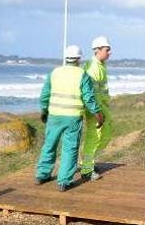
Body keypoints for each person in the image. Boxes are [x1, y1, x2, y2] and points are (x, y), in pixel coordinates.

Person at [35, 45, 103, 192]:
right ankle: (64, 182)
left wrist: (44, 110)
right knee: (70, 149)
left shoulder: (54, 73)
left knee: (49, 145)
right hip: (72, 118)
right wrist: (98, 114)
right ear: (79, 58)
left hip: (54, 116)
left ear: (66, 57)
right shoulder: (82, 75)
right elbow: (89, 98)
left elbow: (45, 94)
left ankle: (42, 175)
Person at [81, 36, 113, 182]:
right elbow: (90, 94)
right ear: (98, 50)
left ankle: (88, 163)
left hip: (102, 107)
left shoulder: (101, 65)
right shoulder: (92, 68)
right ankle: (87, 170)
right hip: (95, 110)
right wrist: (96, 112)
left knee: (105, 135)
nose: (110, 52)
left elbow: (102, 90)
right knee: (94, 138)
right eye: (107, 50)